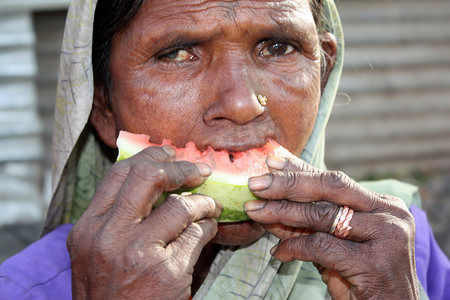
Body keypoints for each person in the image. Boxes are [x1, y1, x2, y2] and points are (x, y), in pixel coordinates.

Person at [0, 0, 449, 299]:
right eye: (177, 53)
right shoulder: (26, 288)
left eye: (278, 47)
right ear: (102, 109)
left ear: (324, 71)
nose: (241, 104)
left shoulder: (399, 251)